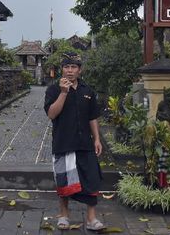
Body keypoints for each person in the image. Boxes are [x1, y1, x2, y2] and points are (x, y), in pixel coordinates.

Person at [44, 52, 105, 231]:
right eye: (66, 67)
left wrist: (97, 139)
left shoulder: (88, 91)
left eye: (73, 67)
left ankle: (91, 218)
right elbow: (51, 114)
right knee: (64, 180)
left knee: (92, 178)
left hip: (85, 143)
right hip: (64, 142)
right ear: (62, 70)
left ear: (80, 70)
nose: (70, 71)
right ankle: (63, 215)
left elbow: (92, 117)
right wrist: (64, 92)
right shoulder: (53, 90)